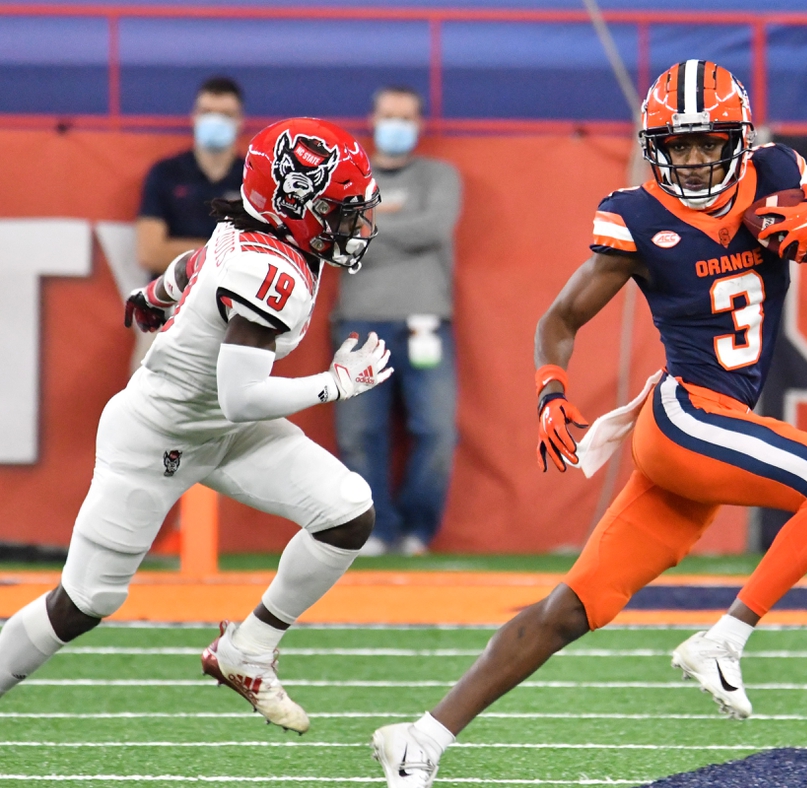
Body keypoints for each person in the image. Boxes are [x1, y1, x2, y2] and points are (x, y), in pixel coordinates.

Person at [370, 60, 807, 788]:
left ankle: (421, 737)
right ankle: (724, 638)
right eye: (679, 144)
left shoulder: (776, 175)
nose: (694, 158)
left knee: (571, 608)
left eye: (706, 143)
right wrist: (549, 389)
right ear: (654, 145)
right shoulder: (636, 217)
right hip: (685, 418)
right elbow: (559, 318)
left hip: (709, 432)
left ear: (739, 139)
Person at [0, 118, 392, 736]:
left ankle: (248, 652)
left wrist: (158, 293)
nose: (351, 224)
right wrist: (339, 384)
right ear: (295, 205)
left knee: (347, 512)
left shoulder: (255, 231)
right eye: (338, 210)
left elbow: (199, 260)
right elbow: (242, 397)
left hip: (222, 431)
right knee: (84, 603)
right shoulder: (274, 272)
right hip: (160, 437)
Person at [332, 86, 462, 557]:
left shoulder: (440, 175)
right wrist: (385, 226)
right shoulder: (346, 177)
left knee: (436, 431)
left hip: (427, 323)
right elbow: (337, 236)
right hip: (359, 322)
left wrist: (369, 225)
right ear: (372, 117)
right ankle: (376, 529)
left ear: (420, 123)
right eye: (389, 115)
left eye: (406, 117)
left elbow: (435, 227)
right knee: (361, 434)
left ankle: (416, 532)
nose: (396, 124)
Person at [136, 76, 246, 274]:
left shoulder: (252, 179)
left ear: (240, 121)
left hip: (234, 299)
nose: (216, 121)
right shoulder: (165, 173)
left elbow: (266, 255)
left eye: (226, 115)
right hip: (176, 299)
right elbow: (150, 253)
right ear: (194, 117)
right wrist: (229, 254)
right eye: (207, 113)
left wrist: (181, 250)